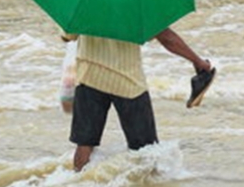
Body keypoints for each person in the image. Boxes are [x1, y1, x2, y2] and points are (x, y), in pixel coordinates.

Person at [62, 28, 216, 172]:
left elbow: (68, 36)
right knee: (147, 150)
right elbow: (166, 37)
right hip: (128, 83)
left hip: (90, 78)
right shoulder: (137, 3)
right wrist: (198, 62)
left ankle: (76, 184)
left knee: (84, 144)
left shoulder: (86, 3)